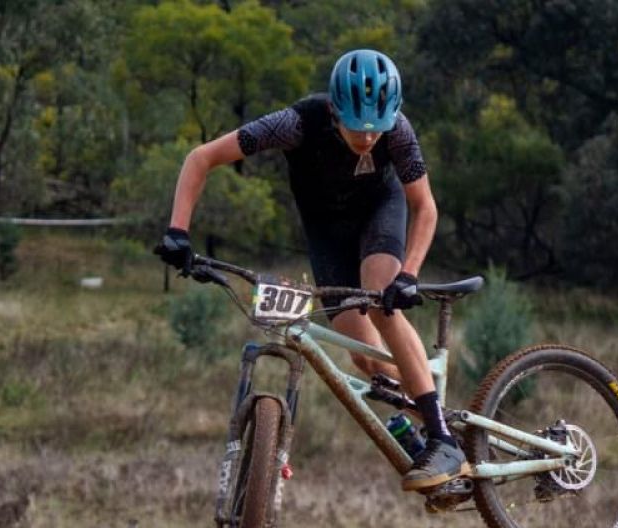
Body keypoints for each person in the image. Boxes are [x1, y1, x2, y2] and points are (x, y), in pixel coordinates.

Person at [156, 48, 469, 491]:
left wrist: (409, 275)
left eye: (375, 130)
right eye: (357, 129)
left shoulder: (397, 130)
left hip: (380, 215)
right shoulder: (295, 123)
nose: (367, 139)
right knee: (364, 358)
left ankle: (443, 441)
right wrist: (178, 231)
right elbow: (201, 157)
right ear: (334, 110)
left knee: (382, 301)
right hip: (328, 235)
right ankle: (436, 422)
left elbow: (425, 207)